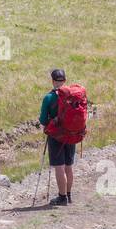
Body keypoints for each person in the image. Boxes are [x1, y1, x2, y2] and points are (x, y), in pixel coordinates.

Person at [38, 68, 87, 206]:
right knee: (68, 166)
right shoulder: (72, 97)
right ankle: (69, 195)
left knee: (59, 166)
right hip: (72, 134)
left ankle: (62, 197)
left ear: (53, 81)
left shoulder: (48, 97)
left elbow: (42, 120)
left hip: (56, 136)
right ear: (64, 80)